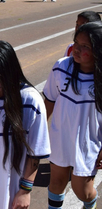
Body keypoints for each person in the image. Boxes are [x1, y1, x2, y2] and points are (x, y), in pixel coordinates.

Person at [0, 40, 51, 209]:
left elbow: (35, 152)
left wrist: (25, 191)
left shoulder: (29, 100)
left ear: (10, 73)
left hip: (11, 185)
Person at [44, 21, 102, 209]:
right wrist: (36, 132)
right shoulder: (61, 67)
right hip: (60, 136)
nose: (76, 49)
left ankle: (91, 203)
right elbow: (49, 101)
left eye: (85, 46)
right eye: (76, 42)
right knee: (56, 183)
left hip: (88, 142)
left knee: (82, 191)